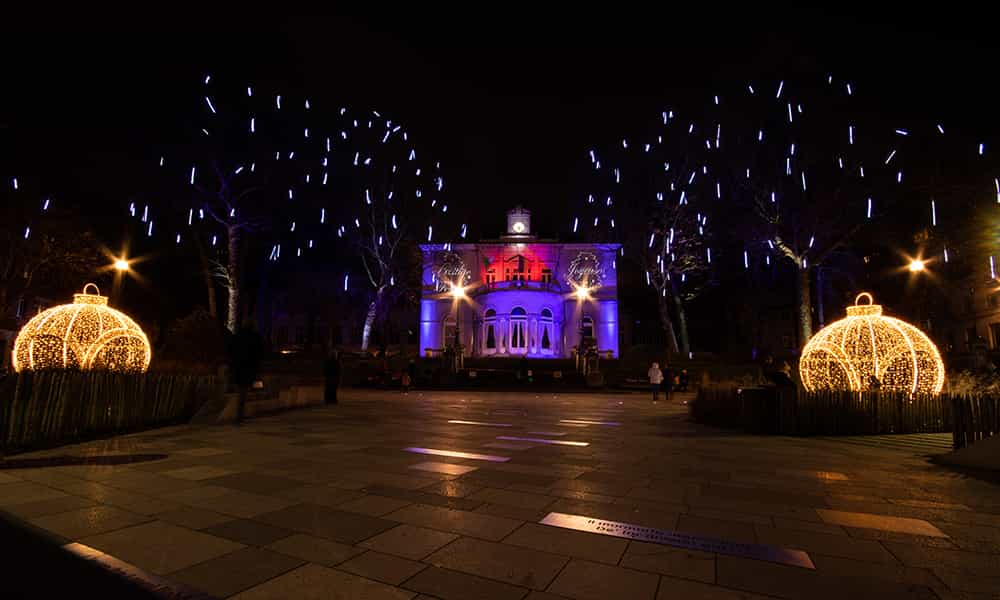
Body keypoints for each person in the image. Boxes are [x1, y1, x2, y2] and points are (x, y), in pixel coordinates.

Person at [228, 325, 262, 424]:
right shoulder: (254, 337)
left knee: (241, 393)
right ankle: (240, 416)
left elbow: (230, 351)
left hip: (238, 369)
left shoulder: (237, 337)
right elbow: (258, 353)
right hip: (247, 369)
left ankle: (239, 416)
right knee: (243, 393)